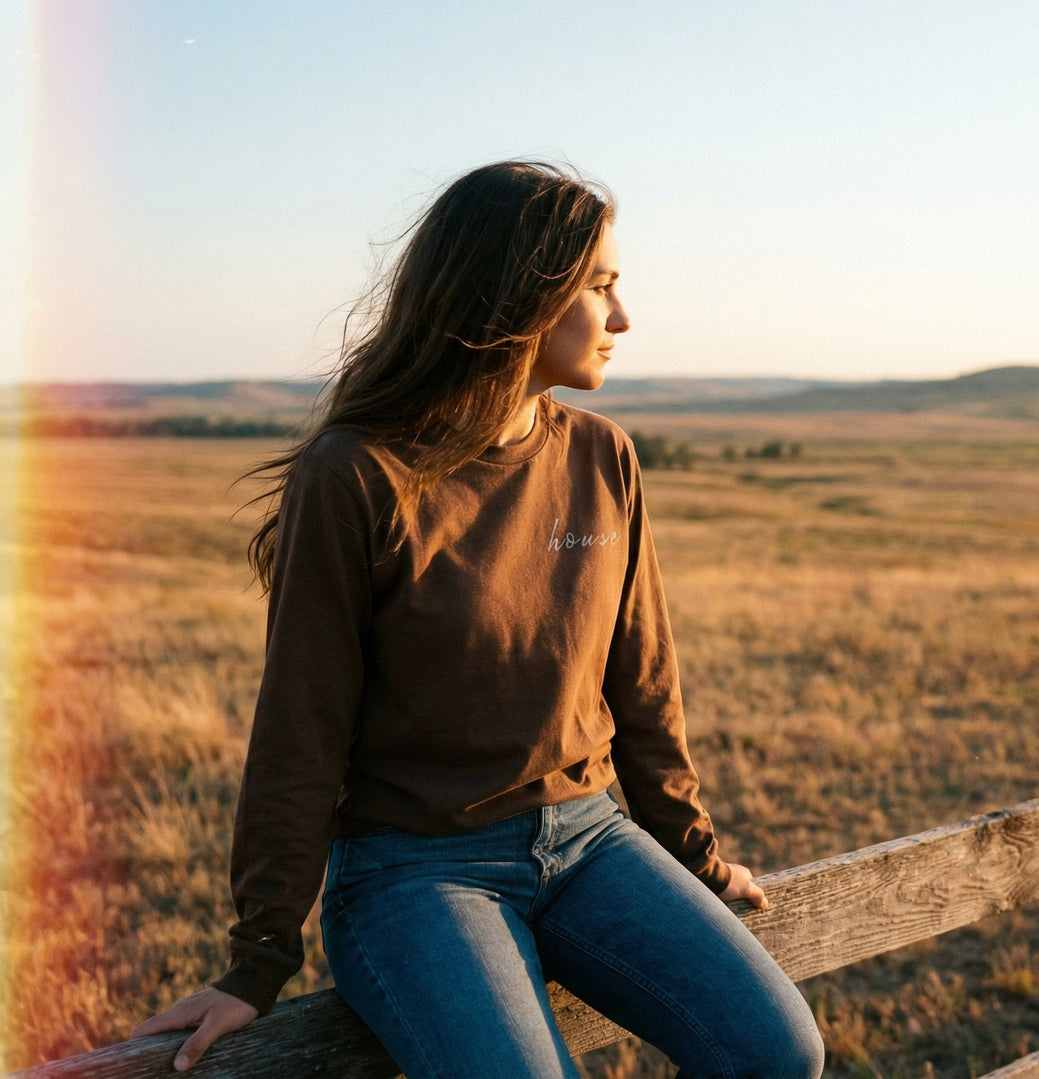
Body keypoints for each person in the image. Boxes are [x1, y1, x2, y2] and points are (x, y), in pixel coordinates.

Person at [132, 161, 825, 1079]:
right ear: (519, 296)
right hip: (415, 871)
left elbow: (644, 684)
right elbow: (301, 729)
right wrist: (255, 964)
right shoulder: (356, 477)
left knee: (778, 1051)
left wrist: (691, 856)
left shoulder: (602, 456)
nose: (623, 320)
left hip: (587, 837)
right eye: (600, 287)